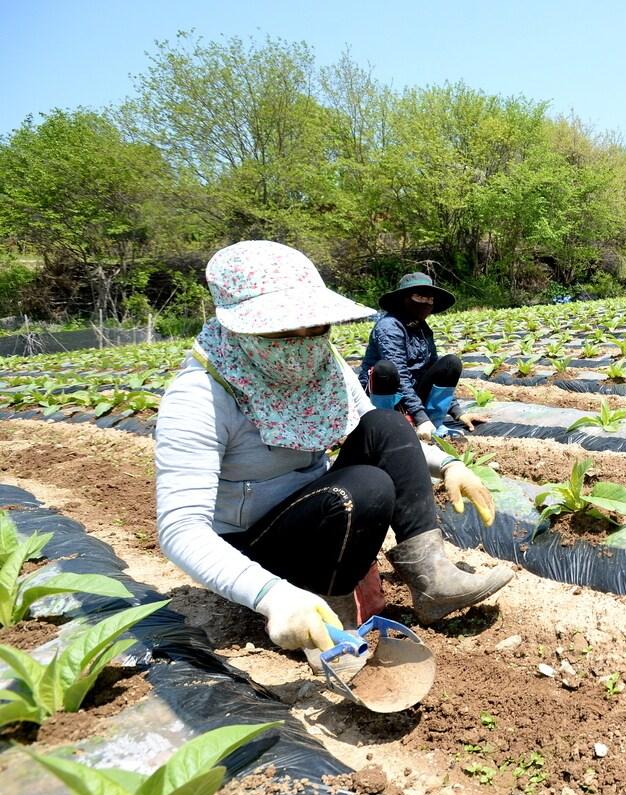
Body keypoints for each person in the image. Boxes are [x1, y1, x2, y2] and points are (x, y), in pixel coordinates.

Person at [156, 241, 514, 660]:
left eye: (315, 327)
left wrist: (447, 465)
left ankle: (434, 580)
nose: (304, 343)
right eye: (283, 331)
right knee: (365, 488)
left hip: (312, 512)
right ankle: (329, 618)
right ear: (238, 327)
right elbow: (181, 528)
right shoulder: (199, 395)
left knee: (384, 422)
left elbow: (377, 431)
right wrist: (272, 596)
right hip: (254, 546)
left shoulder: (319, 360)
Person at [359, 272, 473, 441]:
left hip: (411, 390)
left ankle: (433, 422)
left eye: (430, 300)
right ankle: (387, 423)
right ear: (404, 299)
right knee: (386, 369)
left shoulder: (422, 328)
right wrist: (420, 416)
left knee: (450, 363)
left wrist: (457, 412)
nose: (426, 303)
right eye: (420, 297)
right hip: (385, 391)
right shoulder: (389, 326)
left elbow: (432, 366)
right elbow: (400, 374)